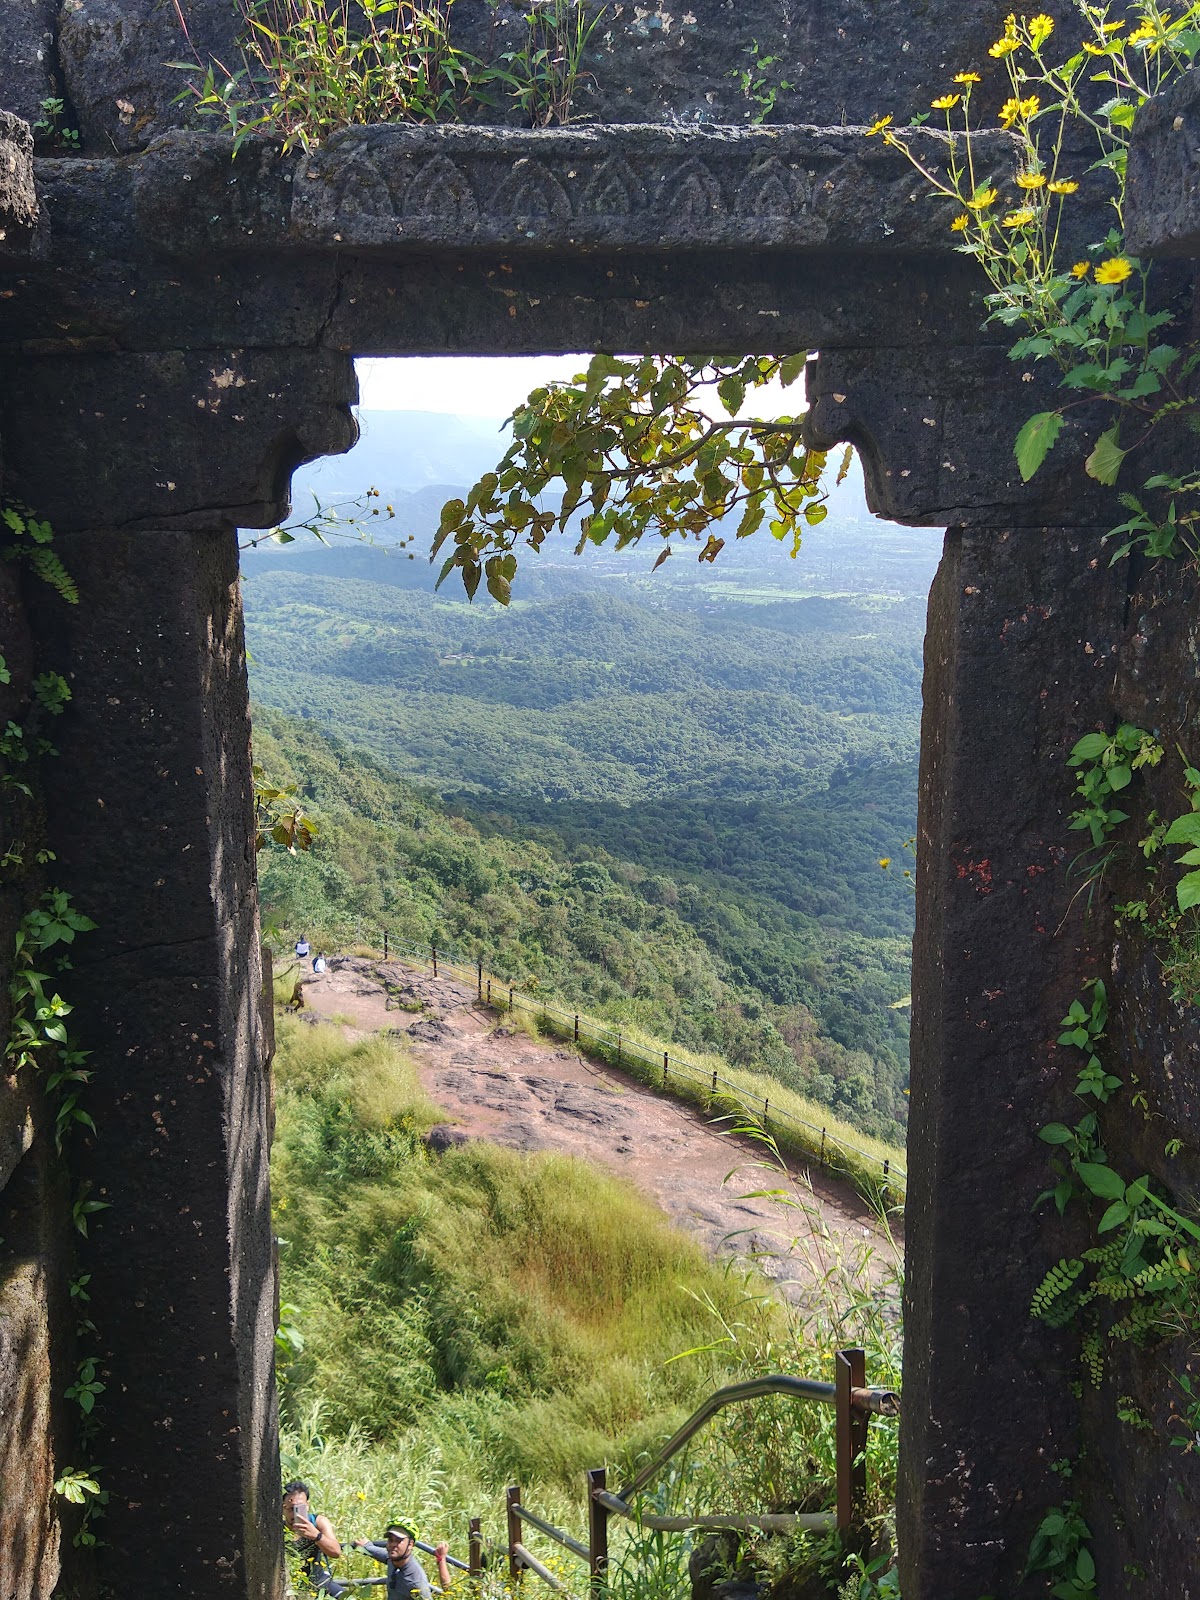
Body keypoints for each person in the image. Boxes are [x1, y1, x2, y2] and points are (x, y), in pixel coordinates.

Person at [352, 1520, 453, 1597]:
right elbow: (382, 1554)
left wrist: (441, 1559)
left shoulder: (415, 1581)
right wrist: (367, 1546)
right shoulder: (394, 1559)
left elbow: (449, 1594)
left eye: (398, 1541)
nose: (393, 1545)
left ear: (410, 1544)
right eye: (390, 1540)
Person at [283, 1480, 346, 1597]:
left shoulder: (318, 1522)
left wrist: (316, 1535)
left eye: (299, 1508)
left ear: (307, 1506)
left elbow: (336, 1552)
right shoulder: (277, 1530)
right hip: (290, 1585)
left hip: (319, 1581)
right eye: (291, 1509)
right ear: (283, 1508)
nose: (295, 1514)